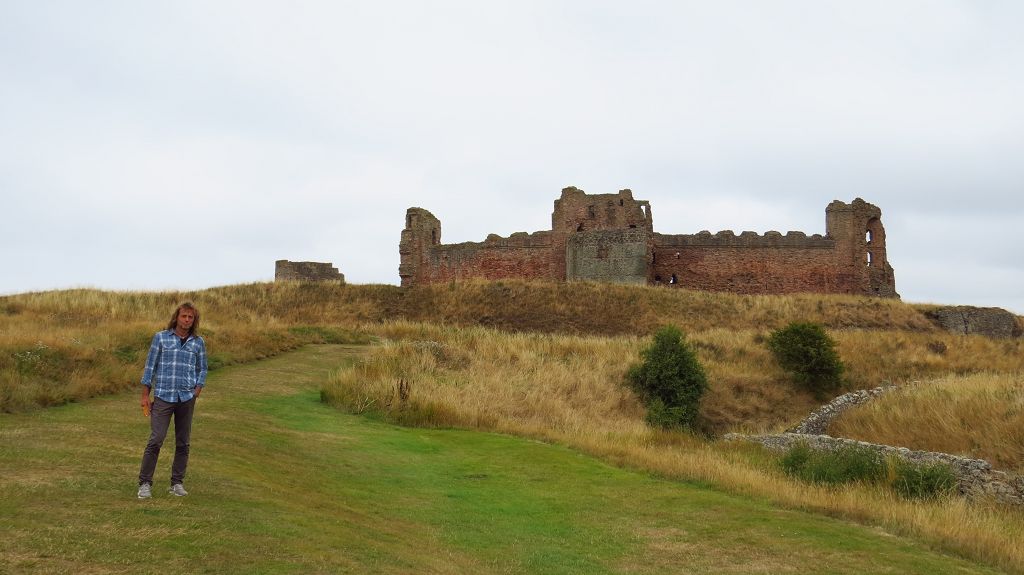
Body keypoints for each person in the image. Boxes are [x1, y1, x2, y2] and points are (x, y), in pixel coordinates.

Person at [136, 302, 208, 499]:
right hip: (163, 396)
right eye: (184, 316)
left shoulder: (198, 342)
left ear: (194, 320)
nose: (186, 320)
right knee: (156, 439)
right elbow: (150, 368)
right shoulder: (161, 338)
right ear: (177, 317)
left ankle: (176, 483)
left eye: (190, 317)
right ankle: (144, 483)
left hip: (186, 398)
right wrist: (145, 395)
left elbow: (203, 367)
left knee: (183, 442)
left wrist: (198, 388)